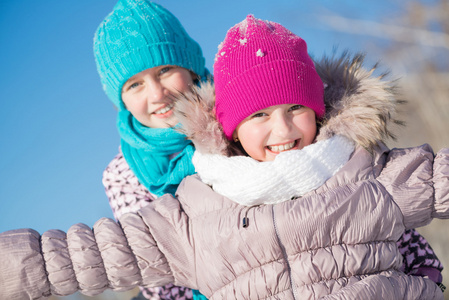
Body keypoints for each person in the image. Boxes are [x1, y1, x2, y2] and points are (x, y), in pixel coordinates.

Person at [0, 14, 446, 300]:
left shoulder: (360, 168)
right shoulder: (197, 202)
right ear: (229, 128)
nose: (282, 129)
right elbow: (89, 254)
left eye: (296, 108)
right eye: (259, 115)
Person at [93, 0, 209, 299]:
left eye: (165, 69)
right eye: (135, 85)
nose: (157, 94)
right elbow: (160, 277)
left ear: (191, 67)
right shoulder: (123, 175)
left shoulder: (247, 121)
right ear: (121, 100)